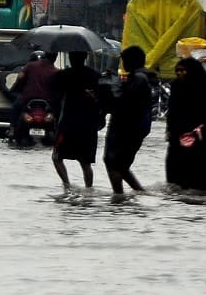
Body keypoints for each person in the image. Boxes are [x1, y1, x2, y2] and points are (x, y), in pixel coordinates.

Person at [165, 56, 206, 192]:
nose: (179, 73)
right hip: (178, 137)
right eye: (177, 70)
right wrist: (169, 130)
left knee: (201, 168)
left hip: (201, 138)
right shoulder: (176, 87)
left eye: (183, 70)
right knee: (175, 168)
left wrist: (202, 128)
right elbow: (172, 111)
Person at [103, 46, 153, 195]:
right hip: (131, 129)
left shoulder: (138, 79)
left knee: (113, 163)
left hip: (126, 129)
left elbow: (123, 102)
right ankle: (139, 192)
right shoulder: (139, 78)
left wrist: (111, 87)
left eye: (124, 61)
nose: (122, 64)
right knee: (120, 165)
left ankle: (118, 197)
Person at [49, 49, 102, 189]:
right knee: (85, 163)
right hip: (88, 126)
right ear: (85, 57)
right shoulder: (95, 76)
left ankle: (67, 185)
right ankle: (89, 189)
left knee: (56, 157)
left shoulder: (63, 75)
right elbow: (101, 101)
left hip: (68, 124)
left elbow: (55, 98)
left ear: (70, 58)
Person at [9, 49, 58, 146]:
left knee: (15, 108)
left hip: (27, 99)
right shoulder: (56, 71)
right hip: (48, 102)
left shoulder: (31, 66)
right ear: (55, 58)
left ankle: (12, 129)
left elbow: (20, 77)